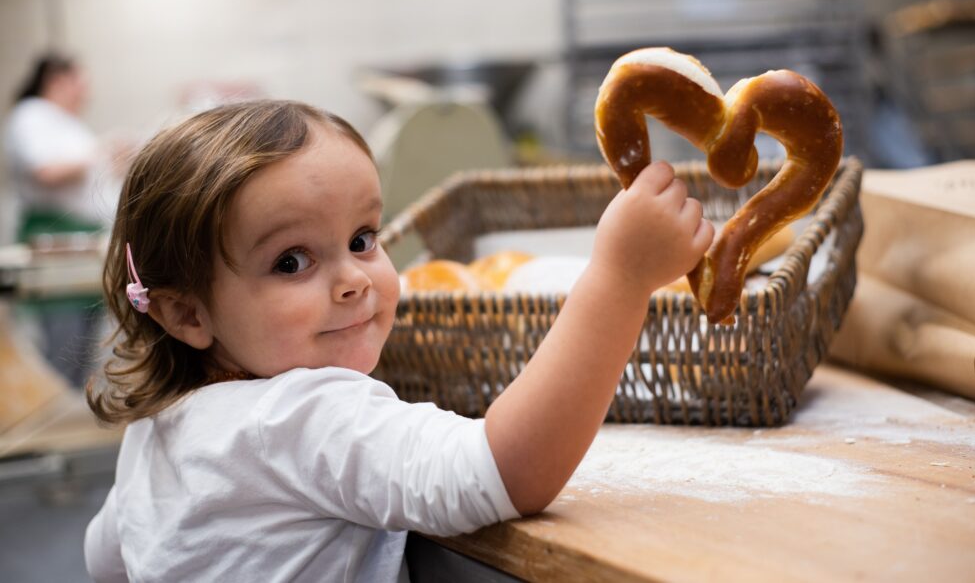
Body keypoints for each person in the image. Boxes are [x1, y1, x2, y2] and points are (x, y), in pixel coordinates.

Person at [83, 100, 713, 582]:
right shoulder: (305, 412)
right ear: (188, 313)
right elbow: (502, 471)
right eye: (291, 261)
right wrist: (620, 279)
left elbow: (105, 556)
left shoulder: (159, 424)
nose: (354, 279)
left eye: (362, 238)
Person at [4, 53, 121, 386]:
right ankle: (50, 428)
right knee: (62, 344)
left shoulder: (67, 123)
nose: (86, 93)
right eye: (81, 83)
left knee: (80, 349)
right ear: (57, 80)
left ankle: (66, 411)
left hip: (84, 235)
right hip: (56, 235)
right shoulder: (31, 115)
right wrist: (101, 152)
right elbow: (46, 171)